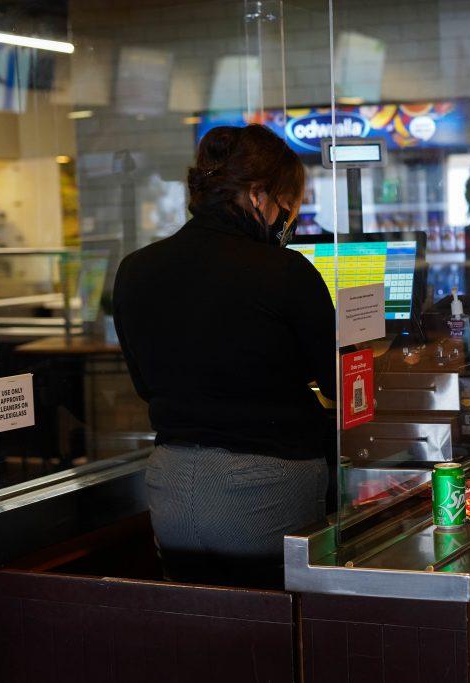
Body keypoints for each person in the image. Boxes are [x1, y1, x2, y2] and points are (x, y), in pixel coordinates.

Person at [113, 124, 336, 589]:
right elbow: (339, 383)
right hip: (267, 489)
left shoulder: (135, 269)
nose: (288, 216)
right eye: (287, 203)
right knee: (277, 625)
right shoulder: (286, 272)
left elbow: (144, 383)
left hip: (172, 488)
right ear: (258, 196)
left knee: (199, 629)